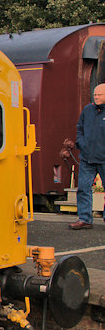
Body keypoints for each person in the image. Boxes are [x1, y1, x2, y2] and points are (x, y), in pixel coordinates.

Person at [70, 83, 105, 229]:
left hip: (103, 158)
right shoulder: (87, 110)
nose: (96, 97)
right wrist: (82, 143)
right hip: (87, 158)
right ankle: (84, 219)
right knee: (83, 188)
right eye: (95, 94)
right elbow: (80, 128)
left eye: (99, 95)